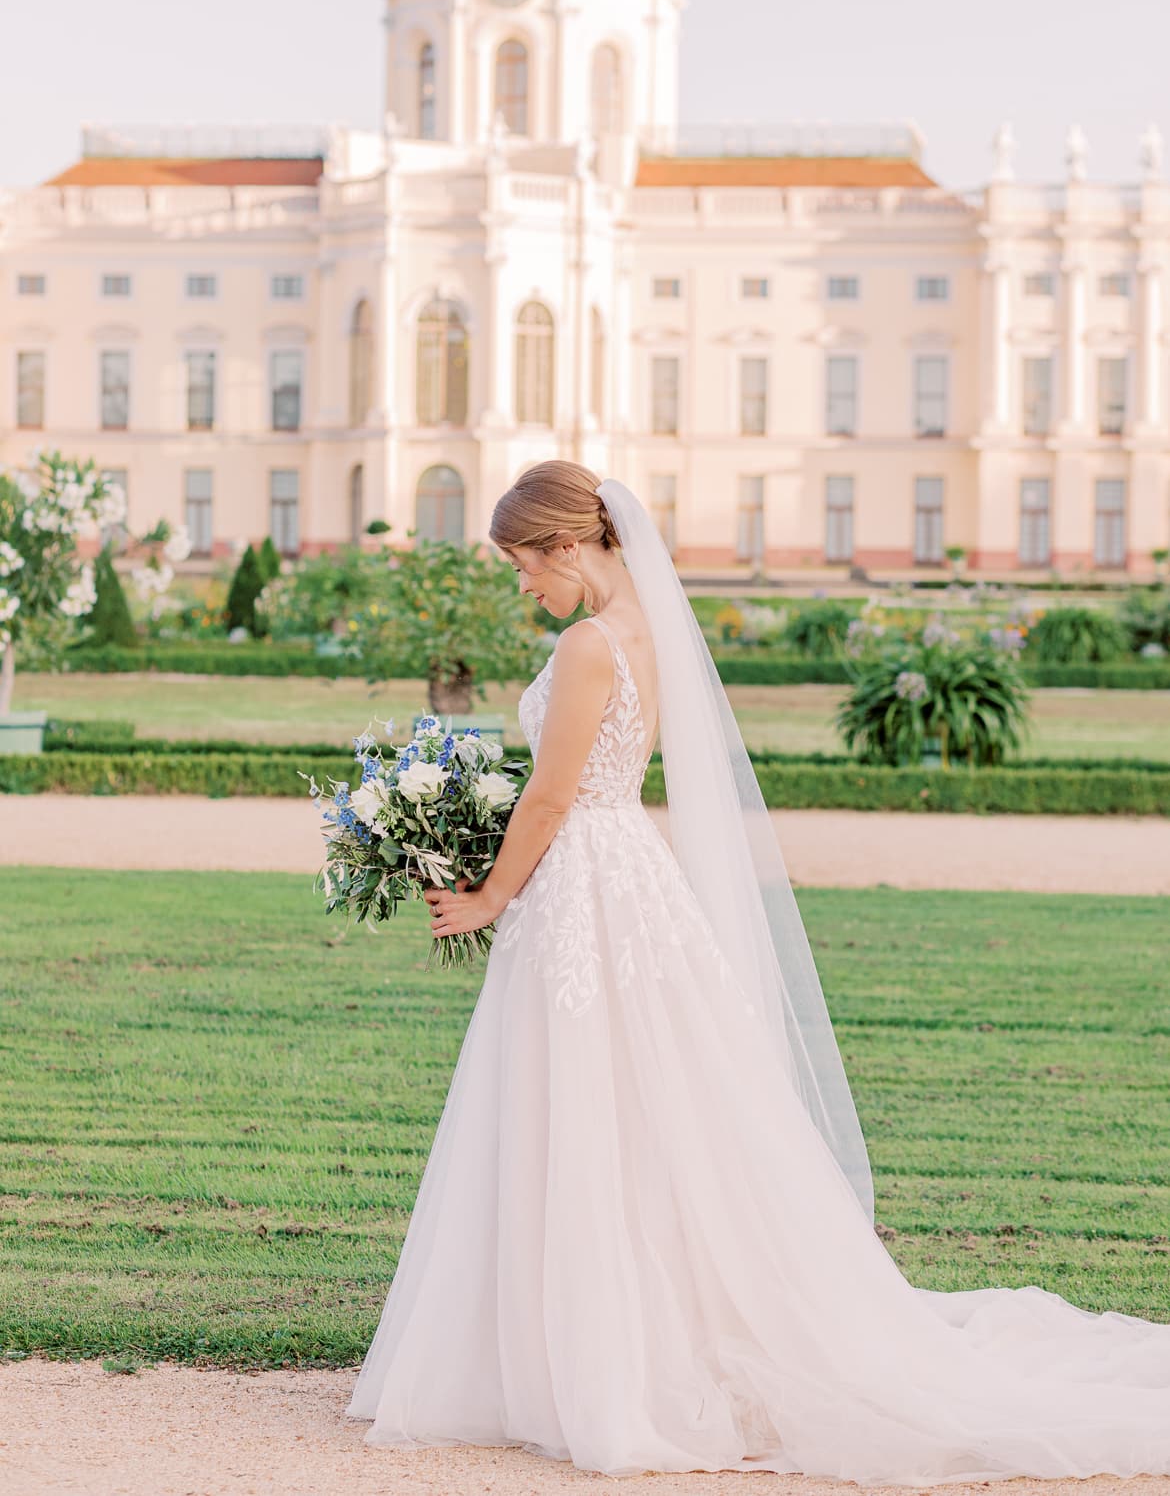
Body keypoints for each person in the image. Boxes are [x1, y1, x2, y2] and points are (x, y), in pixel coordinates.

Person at [346, 459, 1170, 1484]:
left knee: (586, 1109)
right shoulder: (648, 630)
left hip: (585, 890)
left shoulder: (590, 644)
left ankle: (595, 1359)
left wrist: (483, 897)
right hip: (629, 881)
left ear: (565, 545)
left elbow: (552, 802)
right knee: (653, 1113)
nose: (523, 585)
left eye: (524, 564)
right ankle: (626, 1336)